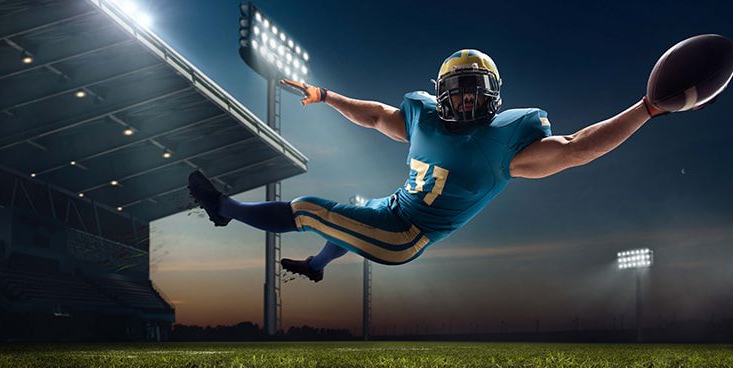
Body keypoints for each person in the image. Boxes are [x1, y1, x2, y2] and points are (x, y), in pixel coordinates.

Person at [188, 49, 678, 282]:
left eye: (473, 92)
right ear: (442, 95)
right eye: (457, 91)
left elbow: (575, 148)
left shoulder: (507, 143)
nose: (464, 102)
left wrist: (647, 108)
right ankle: (317, 268)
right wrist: (327, 95)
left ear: (491, 98)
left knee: (311, 208)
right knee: (345, 225)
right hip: (396, 207)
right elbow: (377, 115)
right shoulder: (424, 119)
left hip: (409, 236)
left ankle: (224, 208)